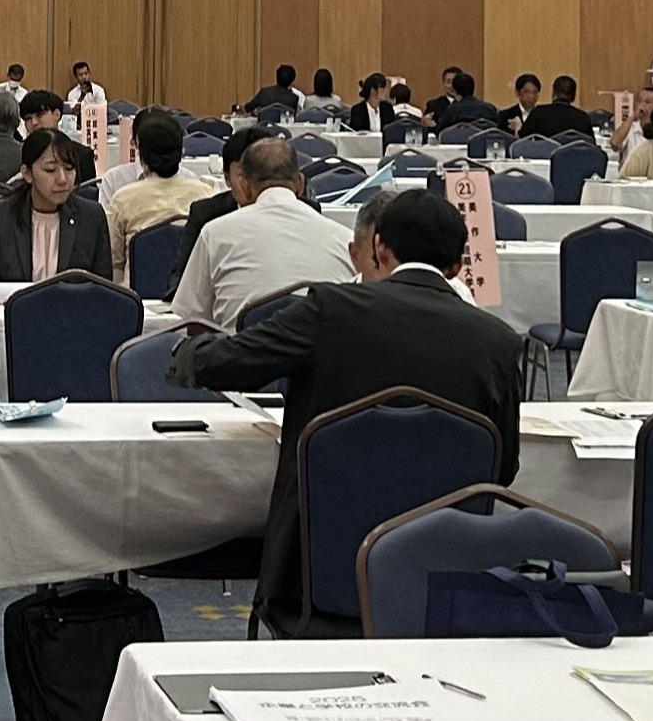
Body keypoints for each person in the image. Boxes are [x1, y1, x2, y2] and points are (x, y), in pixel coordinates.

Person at [169, 189, 522, 632]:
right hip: (443, 586)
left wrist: (185, 352)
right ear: (456, 265)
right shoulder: (499, 343)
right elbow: (502, 466)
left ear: (378, 248)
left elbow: (227, 363)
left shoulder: (330, 309)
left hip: (315, 576)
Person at [171, 138, 353, 330]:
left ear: (244, 185)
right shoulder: (345, 239)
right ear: (300, 183)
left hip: (241, 348)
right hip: (323, 348)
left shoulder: (215, 234)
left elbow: (192, 322)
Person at [0, 130, 111, 285]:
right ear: (27, 174)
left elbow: (102, 286)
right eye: (50, 170)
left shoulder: (91, 216)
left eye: (69, 168)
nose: (62, 179)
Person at [105, 111, 209, 278]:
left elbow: (114, 259)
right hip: (191, 289)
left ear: (141, 155)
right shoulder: (206, 194)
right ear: (181, 153)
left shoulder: (123, 199)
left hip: (136, 290)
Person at [167, 127, 273, 283]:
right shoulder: (206, 214)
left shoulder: (300, 213)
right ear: (227, 178)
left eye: (261, 174)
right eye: (242, 176)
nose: (251, 183)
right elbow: (181, 280)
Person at [17, 90, 96, 182]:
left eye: (40, 115)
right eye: (28, 119)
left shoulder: (81, 155)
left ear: (57, 114)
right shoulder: (17, 154)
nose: (34, 122)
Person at [523, 75, 593, 140]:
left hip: (545, 150)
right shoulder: (583, 118)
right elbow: (591, 143)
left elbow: (522, 140)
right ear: (574, 96)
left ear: (553, 93)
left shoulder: (538, 113)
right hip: (574, 150)